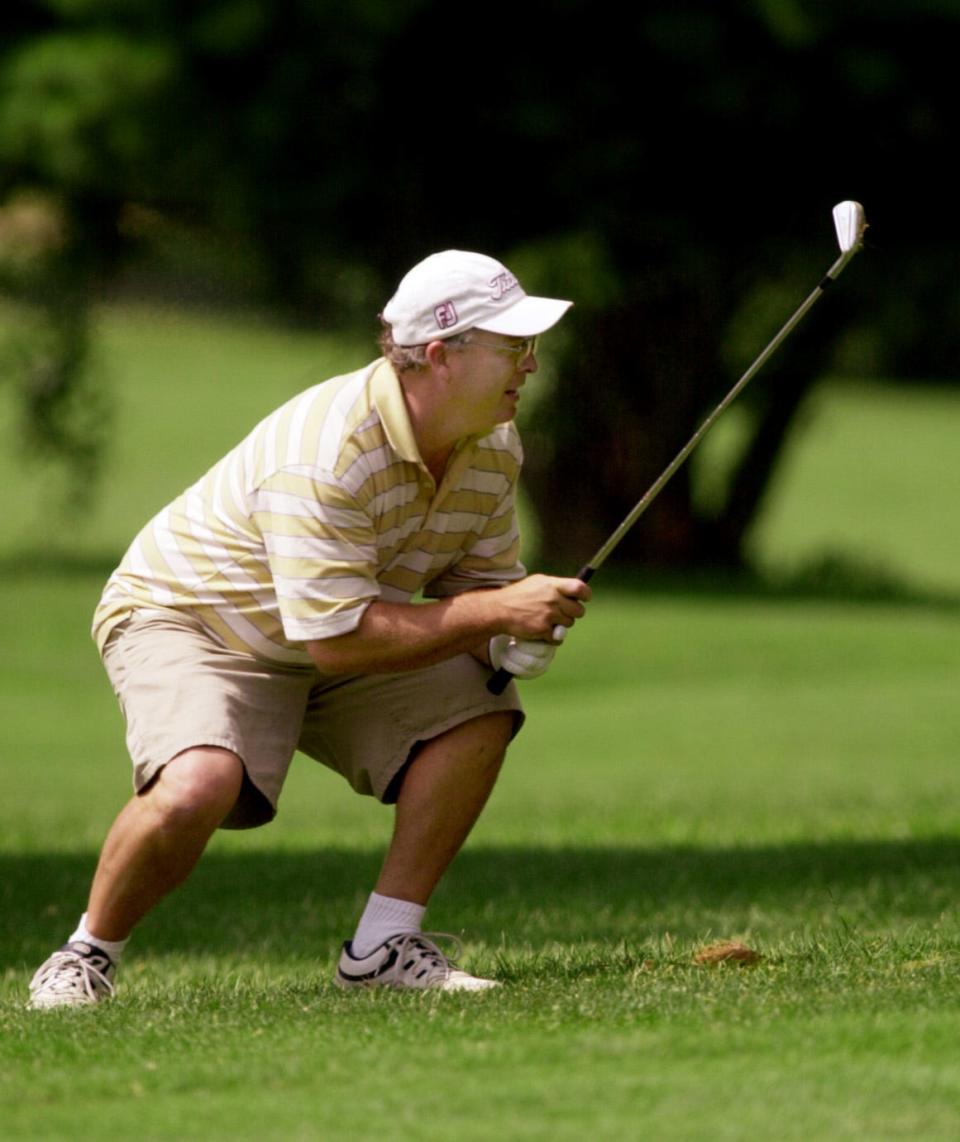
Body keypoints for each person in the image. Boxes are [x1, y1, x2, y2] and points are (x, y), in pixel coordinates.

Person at [27, 249, 591, 1008]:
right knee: (199, 784)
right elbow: (341, 642)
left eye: (532, 347)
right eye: (512, 347)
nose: (530, 365)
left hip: (333, 624)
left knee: (478, 713)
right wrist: (495, 613)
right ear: (438, 357)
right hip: (196, 620)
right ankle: (84, 954)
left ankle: (382, 947)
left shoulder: (493, 444)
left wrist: (513, 632)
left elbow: (474, 588)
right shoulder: (327, 454)